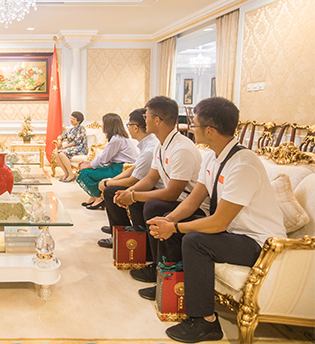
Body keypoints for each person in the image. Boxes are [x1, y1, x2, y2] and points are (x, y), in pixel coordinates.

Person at [148, 97, 286, 343]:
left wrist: (175, 227)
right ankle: (168, 287)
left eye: (195, 125)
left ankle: (206, 322)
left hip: (260, 244)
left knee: (194, 241)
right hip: (235, 234)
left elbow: (219, 222)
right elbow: (193, 201)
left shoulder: (243, 164)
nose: (192, 129)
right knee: (177, 229)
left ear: (209, 130)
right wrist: (167, 221)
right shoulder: (213, 157)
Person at [113, 96, 209, 301]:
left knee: (152, 206)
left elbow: (173, 193)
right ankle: (150, 255)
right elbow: (150, 179)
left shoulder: (182, 148)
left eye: (146, 116)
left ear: (157, 120)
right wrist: (129, 193)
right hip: (179, 199)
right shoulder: (161, 145)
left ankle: (162, 270)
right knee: (140, 202)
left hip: (194, 206)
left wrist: (134, 195)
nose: (144, 120)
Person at [96, 108, 162, 248]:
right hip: (146, 183)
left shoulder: (150, 148)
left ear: (136, 128)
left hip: (154, 188)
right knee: (111, 188)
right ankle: (117, 228)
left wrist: (108, 183)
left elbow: (133, 180)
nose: (128, 128)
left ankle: (122, 235)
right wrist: (110, 181)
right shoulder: (147, 143)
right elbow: (134, 168)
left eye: (129, 125)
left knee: (111, 191)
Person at [77, 113, 137, 209]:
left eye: (103, 123)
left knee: (85, 172)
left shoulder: (116, 139)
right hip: (115, 167)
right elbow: (106, 158)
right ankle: (94, 196)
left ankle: (99, 198)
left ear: (109, 125)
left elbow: (103, 159)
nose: (101, 125)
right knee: (90, 170)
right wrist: (89, 163)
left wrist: (88, 165)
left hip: (119, 170)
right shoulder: (119, 137)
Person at [55, 111, 88, 183]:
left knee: (61, 153)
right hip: (72, 148)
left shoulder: (81, 129)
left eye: (73, 119)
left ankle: (71, 174)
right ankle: (66, 173)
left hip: (80, 148)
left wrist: (64, 147)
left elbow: (76, 142)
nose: (71, 120)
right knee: (56, 153)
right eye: (71, 118)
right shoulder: (71, 130)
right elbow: (62, 135)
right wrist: (59, 140)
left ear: (78, 121)